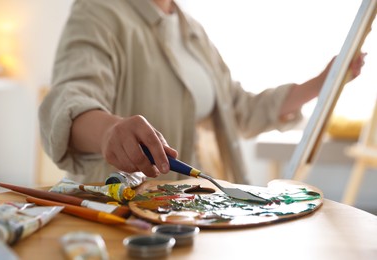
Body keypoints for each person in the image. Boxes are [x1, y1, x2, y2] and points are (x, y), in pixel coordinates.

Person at [39, 0, 365, 184]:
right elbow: (70, 97)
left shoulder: (191, 29)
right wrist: (111, 131)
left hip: (203, 209)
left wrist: (323, 82)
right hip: (134, 217)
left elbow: (240, 110)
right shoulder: (98, 12)